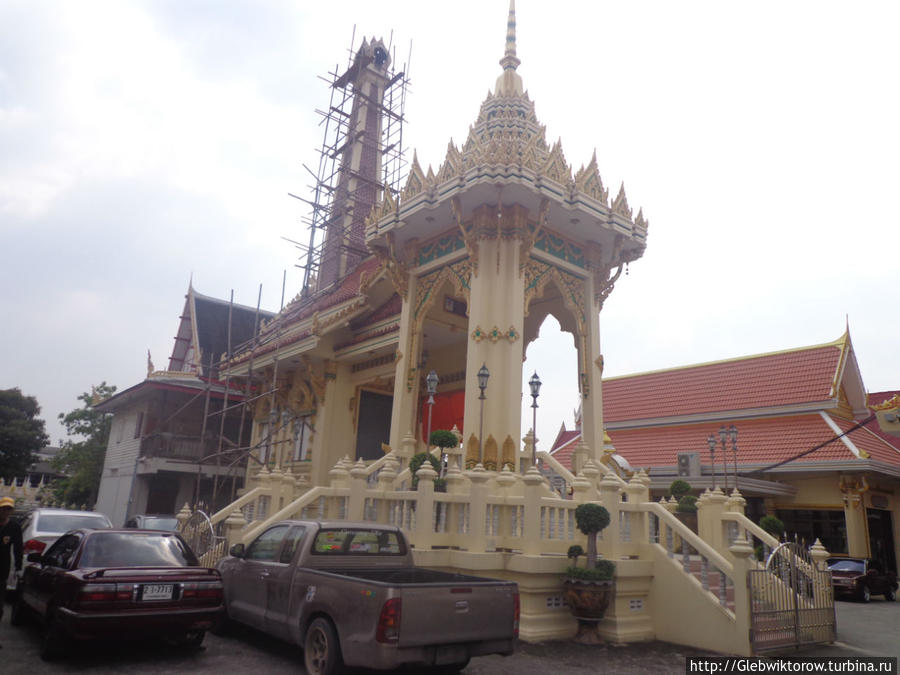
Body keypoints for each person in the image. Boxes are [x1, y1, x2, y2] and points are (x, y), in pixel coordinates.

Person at [0, 496, 24, 648]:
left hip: (2, 570)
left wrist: (19, 567)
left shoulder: (14, 527)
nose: (5, 511)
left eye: (8, 509)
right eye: (3, 508)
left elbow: (18, 548)